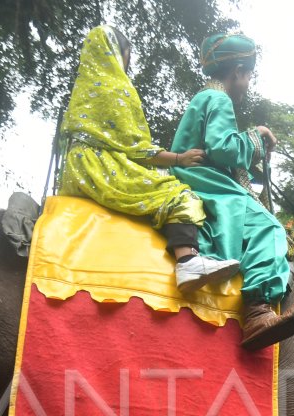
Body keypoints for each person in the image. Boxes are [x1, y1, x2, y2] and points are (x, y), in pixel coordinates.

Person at [57, 26, 238, 292]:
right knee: (180, 196)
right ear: (117, 53)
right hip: (101, 168)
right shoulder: (117, 87)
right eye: (128, 55)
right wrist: (179, 158)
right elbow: (136, 148)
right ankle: (187, 260)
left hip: (75, 171)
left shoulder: (82, 89)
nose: (128, 64)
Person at [170, 33, 294, 350]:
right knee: (270, 228)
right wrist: (256, 136)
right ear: (237, 71)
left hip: (195, 177)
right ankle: (257, 312)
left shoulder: (202, 99)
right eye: (248, 76)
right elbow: (222, 149)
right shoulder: (219, 100)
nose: (247, 83)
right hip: (206, 183)